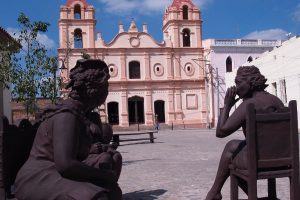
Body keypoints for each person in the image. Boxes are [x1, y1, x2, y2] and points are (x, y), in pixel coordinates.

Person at [14, 59, 122, 200]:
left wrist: (97, 150)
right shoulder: (67, 116)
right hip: (39, 176)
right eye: (105, 88)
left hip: (58, 171)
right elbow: (66, 165)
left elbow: (77, 151)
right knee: (98, 196)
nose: (107, 93)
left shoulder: (84, 115)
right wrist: (103, 175)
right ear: (93, 90)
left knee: (113, 192)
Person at [205, 66, 284, 200]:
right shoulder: (277, 101)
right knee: (235, 147)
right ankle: (216, 192)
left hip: (257, 159)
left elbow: (221, 132)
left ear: (250, 82)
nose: (236, 88)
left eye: (238, 83)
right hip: (282, 158)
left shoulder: (249, 104)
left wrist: (227, 105)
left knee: (231, 152)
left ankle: (215, 192)